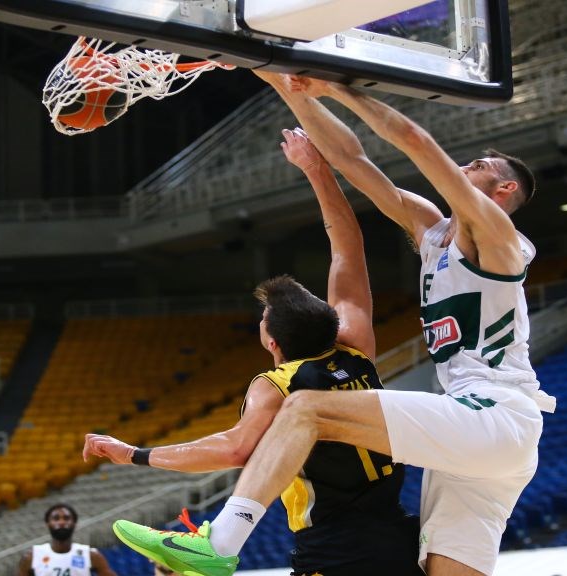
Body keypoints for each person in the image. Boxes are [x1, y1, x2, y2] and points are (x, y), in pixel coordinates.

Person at [110, 71, 555, 576]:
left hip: (495, 414)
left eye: (479, 165)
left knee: (304, 410)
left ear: (504, 189)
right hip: (477, 440)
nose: (464, 164)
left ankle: (220, 544)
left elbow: (414, 140)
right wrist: (284, 83)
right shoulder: (434, 230)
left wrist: (339, 90)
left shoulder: (498, 236)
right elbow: (352, 160)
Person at [84, 128, 420, 576]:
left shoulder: (278, 385)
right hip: (396, 530)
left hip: (335, 543)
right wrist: (318, 172)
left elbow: (235, 449)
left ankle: (214, 545)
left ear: (272, 342)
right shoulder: (357, 349)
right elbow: (348, 250)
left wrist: (135, 454)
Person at [17, 503, 117, 576]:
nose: (61, 522)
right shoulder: (32, 556)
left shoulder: (90, 555)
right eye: (56, 518)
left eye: (66, 518)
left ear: (74, 523)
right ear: (48, 523)